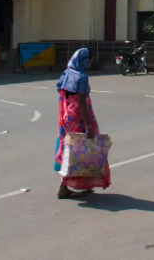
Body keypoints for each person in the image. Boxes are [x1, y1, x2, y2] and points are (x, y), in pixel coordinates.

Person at [54, 48, 110, 199]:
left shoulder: (67, 73)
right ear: (84, 60)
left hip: (67, 117)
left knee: (71, 151)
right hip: (79, 118)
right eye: (89, 60)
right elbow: (82, 103)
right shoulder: (81, 77)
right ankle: (63, 187)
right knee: (81, 152)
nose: (90, 63)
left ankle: (83, 184)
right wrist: (88, 125)